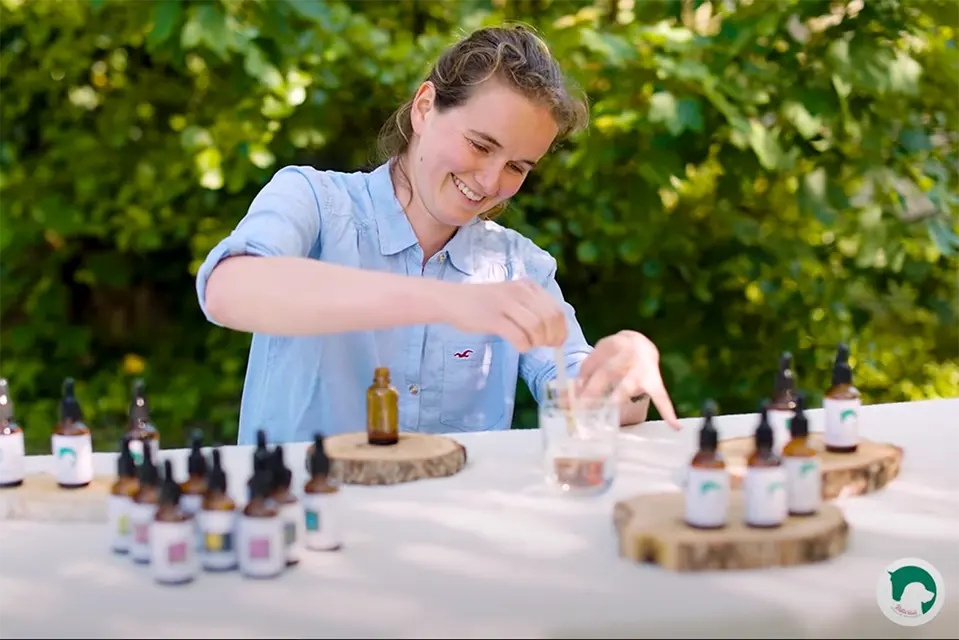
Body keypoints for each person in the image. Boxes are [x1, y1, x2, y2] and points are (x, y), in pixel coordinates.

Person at [195, 24, 682, 445]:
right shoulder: (313, 200)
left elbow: (582, 395)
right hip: (305, 530)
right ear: (425, 108)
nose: (491, 183)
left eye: (517, 166)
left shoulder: (521, 268)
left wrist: (624, 371)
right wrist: (448, 302)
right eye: (479, 145)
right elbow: (228, 290)